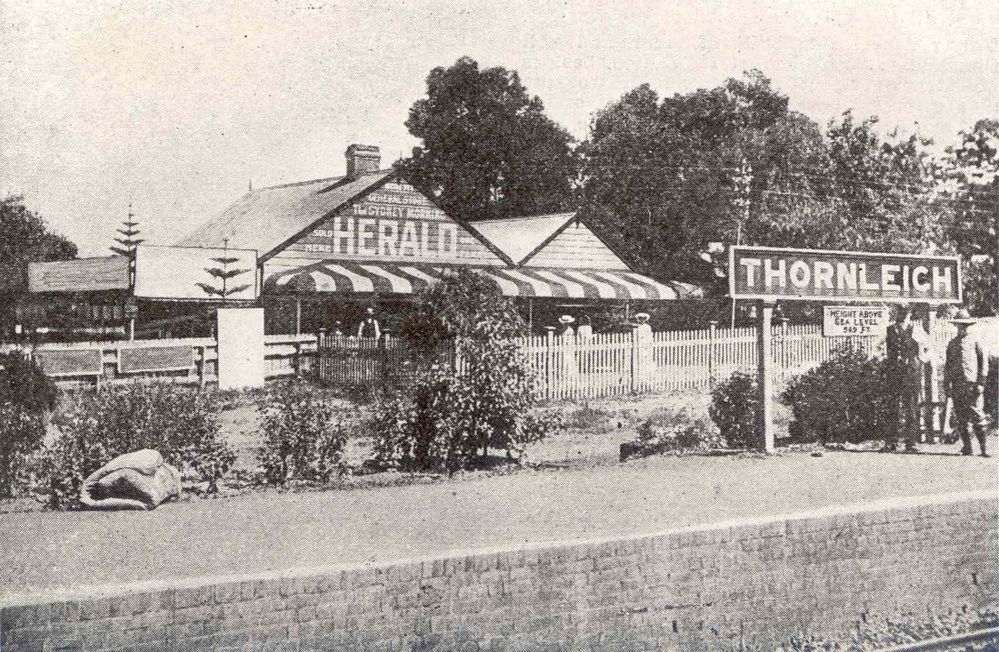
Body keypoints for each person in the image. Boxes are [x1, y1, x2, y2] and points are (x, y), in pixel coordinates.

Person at [883, 306, 930, 453]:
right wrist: (884, 360)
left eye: (906, 313)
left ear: (910, 315)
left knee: (911, 408)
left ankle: (911, 443)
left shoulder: (916, 331)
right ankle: (891, 442)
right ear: (896, 313)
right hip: (893, 374)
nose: (903, 315)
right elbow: (877, 347)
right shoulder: (888, 330)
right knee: (892, 407)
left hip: (910, 374)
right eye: (900, 312)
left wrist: (919, 360)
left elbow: (929, 348)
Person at [944, 309, 990, 457]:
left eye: (965, 325)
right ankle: (967, 447)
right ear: (956, 326)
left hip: (973, 385)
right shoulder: (952, 344)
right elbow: (948, 366)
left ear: (969, 326)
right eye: (959, 325)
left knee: (978, 416)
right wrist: (947, 385)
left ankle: (983, 449)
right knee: (961, 417)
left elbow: (983, 363)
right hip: (958, 384)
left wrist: (981, 382)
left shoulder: (976, 341)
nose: (962, 328)